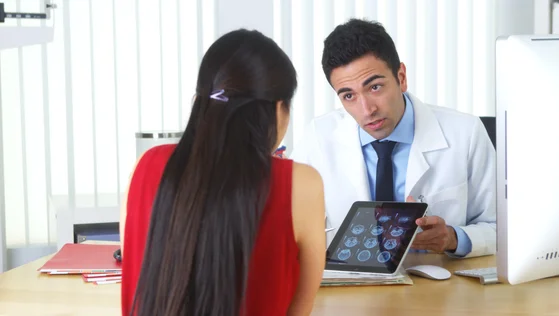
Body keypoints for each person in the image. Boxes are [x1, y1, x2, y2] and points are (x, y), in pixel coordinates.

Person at [120, 29, 326, 316]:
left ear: (199, 102)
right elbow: (299, 308)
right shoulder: (300, 184)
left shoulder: (145, 166)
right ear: (280, 108)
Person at [291, 19, 496, 258]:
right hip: (355, 287)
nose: (367, 110)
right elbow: (284, 225)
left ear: (401, 77)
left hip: (439, 287)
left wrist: (452, 237)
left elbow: (501, 229)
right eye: (348, 96)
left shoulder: (466, 132)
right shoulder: (319, 136)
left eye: (375, 87)